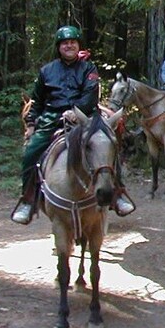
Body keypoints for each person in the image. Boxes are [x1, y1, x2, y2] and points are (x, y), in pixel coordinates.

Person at [11, 26, 135, 224]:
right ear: (59, 47)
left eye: (73, 42)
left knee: (107, 145)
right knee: (31, 153)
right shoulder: (46, 71)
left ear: (78, 45)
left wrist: (76, 111)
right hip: (52, 118)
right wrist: (31, 124)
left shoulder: (89, 69)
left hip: (85, 117)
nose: (69, 46)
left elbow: (90, 95)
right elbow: (37, 101)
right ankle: (28, 200)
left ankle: (117, 195)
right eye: (65, 43)